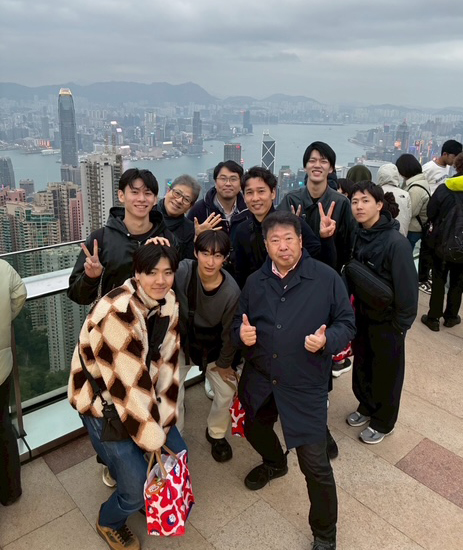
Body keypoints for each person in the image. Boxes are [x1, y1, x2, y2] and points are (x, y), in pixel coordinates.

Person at [233, 211, 356, 550]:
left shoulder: (326, 278)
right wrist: (241, 334)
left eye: (289, 238)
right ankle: (275, 463)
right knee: (254, 427)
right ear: (266, 245)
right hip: (260, 378)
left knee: (315, 465)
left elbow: (347, 323)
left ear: (301, 241)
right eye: (275, 240)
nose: (283, 246)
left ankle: (324, 535)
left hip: (304, 383)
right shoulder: (255, 281)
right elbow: (238, 322)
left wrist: (327, 341)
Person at [69, 243, 184, 550]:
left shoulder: (168, 301)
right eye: (152, 272)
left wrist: (166, 419)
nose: (160, 280)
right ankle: (110, 520)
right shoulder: (117, 312)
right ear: (137, 273)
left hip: (137, 392)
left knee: (177, 451)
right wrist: (153, 439)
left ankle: (132, 482)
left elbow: (169, 362)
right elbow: (128, 387)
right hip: (101, 402)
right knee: (134, 487)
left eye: (168, 272)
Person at [346, 181, 418, 444]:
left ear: (379, 205)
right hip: (363, 314)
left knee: (387, 373)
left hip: (388, 321)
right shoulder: (358, 233)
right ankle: (366, 406)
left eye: (365, 201)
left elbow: (408, 290)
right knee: (363, 364)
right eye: (355, 201)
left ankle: (384, 422)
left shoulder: (396, 243)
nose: (359, 206)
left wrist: (400, 325)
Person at [173, 230, 240, 462]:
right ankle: (176, 436)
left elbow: (229, 333)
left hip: (212, 347)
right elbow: (156, 275)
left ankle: (216, 433)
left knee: (226, 390)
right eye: (205, 254)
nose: (210, 262)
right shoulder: (183, 271)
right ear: (195, 253)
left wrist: (224, 363)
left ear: (225, 258)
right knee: (171, 390)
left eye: (217, 255)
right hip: (182, 343)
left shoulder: (231, 291)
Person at [68, 168, 176, 306]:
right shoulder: (100, 239)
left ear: (155, 199)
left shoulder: (166, 239)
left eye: (148, 193)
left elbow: (177, 287)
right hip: (113, 317)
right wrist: (91, 278)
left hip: (156, 317)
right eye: (134, 192)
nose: (141, 199)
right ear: (121, 195)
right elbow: (77, 296)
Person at [232, 166, 336, 289]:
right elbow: (240, 275)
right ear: (244, 197)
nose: (255, 198)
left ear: (273, 193)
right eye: (249, 193)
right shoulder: (242, 230)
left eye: (261, 191)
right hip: (259, 296)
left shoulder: (292, 224)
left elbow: (323, 263)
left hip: (297, 292)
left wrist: (326, 238)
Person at [421, 152, 463, 332]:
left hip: (441, 241)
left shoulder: (444, 188)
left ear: (457, 165)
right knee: (457, 280)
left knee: (438, 279)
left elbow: (431, 212)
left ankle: (433, 318)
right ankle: (451, 317)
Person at [278, 141, 356, 271]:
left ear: (331, 168)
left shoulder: (342, 203)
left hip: (331, 274)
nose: (317, 165)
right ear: (305, 166)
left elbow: (349, 247)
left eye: (323, 161)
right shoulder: (291, 200)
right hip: (294, 274)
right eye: (312, 161)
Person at [417, 141, 463, 294]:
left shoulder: (448, 168)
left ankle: (428, 275)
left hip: (441, 215)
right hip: (428, 213)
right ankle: (421, 278)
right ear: (445, 154)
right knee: (426, 247)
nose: (455, 160)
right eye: (454, 157)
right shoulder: (428, 168)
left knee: (434, 248)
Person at [0, 260, 27, 507]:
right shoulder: (3, 268)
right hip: (2, 363)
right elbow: (20, 294)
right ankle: (11, 490)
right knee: (3, 425)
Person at [187, 160, 248, 236]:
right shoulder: (200, 209)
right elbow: (185, 240)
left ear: (240, 184)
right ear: (215, 182)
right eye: (223, 179)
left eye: (233, 179)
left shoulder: (248, 210)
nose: (228, 183)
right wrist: (197, 236)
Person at [157, 174, 201, 260]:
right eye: (177, 193)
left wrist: (198, 240)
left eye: (186, 199)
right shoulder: (147, 214)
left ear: (190, 207)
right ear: (168, 191)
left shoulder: (190, 231)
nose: (179, 200)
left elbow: (189, 263)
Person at [396, 154, 430, 251]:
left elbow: (410, 211)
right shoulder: (418, 182)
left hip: (412, 229)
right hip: (413, 228)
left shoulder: (415, 189)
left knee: (404, 254)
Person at [376, 163, 412, 237]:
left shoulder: (376, 192)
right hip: (401, 236)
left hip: (381, 236)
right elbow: (408, 216)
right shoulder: (405, 195)